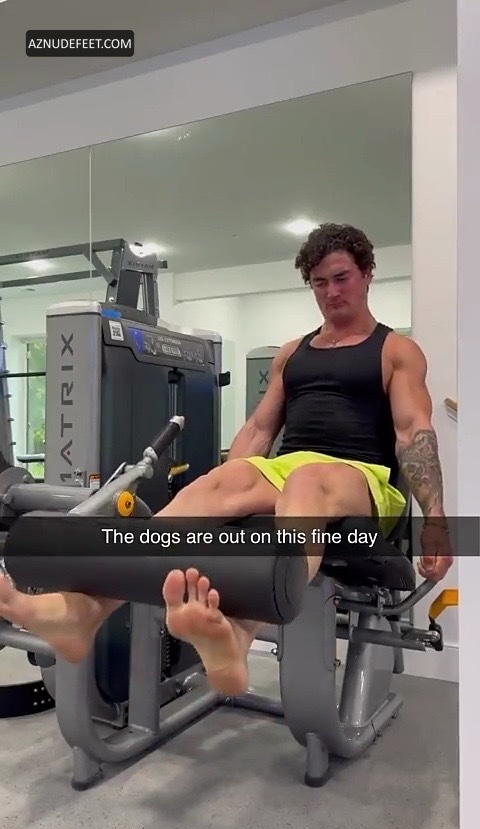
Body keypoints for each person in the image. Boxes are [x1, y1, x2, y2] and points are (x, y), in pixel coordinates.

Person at [0, 223, 452, 696]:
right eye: (320, 283)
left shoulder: (395, 350)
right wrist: (229, 494)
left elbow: (413, 433)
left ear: (367, 274)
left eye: (341, 278)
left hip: (362, 479)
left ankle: (239, 635)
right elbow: (258, 431)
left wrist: (436, 519)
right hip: (286, 470)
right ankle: (80, 613)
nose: (331, 292)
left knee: (308, 481)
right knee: (216, 485)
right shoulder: (292, 354)